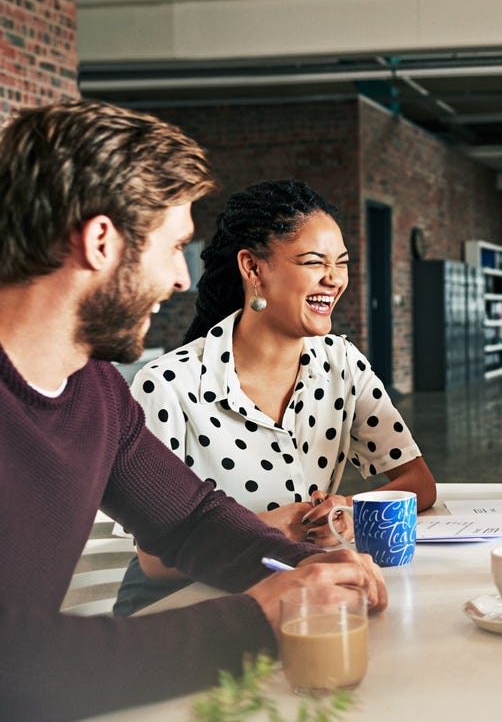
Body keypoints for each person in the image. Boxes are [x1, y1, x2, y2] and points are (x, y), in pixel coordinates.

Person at [0, 100, 388, 719]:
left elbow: (190, 519)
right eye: (174, 246)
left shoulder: (95, 390)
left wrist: (310, 568)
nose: (182, 279)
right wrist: (257, 620)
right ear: (102, 242)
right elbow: (13, 664)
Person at [114, 179, 437, 615]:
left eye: (341, 263)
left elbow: (419, 483)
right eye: (312, 262)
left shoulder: (342, 362)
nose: (335, 278)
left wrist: (349, 509)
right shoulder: (167, 385)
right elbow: (154, 560)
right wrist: (274, 527)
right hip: (181, 610)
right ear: (252, 268)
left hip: (297, 591)